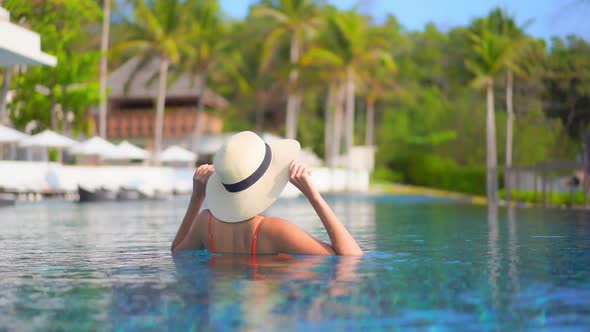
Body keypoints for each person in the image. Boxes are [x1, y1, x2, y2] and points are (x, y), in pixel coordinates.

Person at [171, 131, 363, 256]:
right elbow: (351, 256)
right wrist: (314, 197)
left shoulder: (205, 223)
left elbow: (177, 251)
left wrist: (196, 199)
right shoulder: (274, 231)